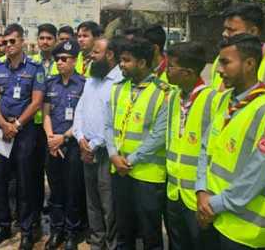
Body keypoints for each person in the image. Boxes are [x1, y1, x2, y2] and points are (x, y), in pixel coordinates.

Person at [196, 34, 265, 249]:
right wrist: (201, 191)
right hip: (213, 217)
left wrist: (212, 205)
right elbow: (206, 148)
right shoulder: (224, 100)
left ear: (249, 64)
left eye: (226, 62)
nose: (219, 70)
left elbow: (256, 175)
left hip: (244, 233)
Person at [106, 37, 171, 250]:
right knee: (124, 231)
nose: (121, 65)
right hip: (119, 171)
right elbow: (108, 126)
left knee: (150, 234)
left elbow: (159, 135)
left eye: (126, 60)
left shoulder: (164, 92)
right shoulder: (117, 89)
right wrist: (113, 155)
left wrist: (130, 160)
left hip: (148, 176)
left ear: (142, 63)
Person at [0, 23, 45, 250]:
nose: (8, 46)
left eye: (12, 41)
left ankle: (27, 230)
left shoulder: (34, 68)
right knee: (0, 179)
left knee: (25, 181)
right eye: (6, 42)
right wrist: (2, 123)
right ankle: (3, 225)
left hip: (25, 132)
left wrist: (17, 124)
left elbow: (37, 101)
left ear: (21, 41)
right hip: (3, 130)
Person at [164, 42, 223, 250]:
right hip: (174, 191)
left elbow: (216, 151)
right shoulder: (173, 96)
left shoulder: (214, 100)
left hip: (198, 195)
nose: (165, 70)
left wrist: (205, 192)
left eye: (170, 66)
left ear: (188, 73)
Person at [209, 3, 265, 130]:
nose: (224, 34)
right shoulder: (219, 62)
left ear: (253, 31)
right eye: (225, 28)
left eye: (231, 30)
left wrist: (256, 143)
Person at [72, 37, 123, 250]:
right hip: (86, 148)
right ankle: (97, 240)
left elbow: (113, 122)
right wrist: (80, 137)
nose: (91, 55)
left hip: (105, 152)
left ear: (109, 55)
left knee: (108, 203)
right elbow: (80, 110)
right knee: (92, 201)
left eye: (96, 52)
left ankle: (112, 244)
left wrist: (92, 145)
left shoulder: (120, 82)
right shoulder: (91, 78)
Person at [43, 39, 86, 250]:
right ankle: (56, 230)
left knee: (72, 191)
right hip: (53, 145)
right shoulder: (51, 83)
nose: (59, 63)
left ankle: (71, 233)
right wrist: (52, 138)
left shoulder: (84, 84)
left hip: (72, 146)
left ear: (74, 60)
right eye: (57, 59)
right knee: (55, 190)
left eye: (64, 59)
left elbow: (83, 119)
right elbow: (46, 114)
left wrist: (64, 137)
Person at [31, 23, 59, 222]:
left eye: (49, 38)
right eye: (42, 38)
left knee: (54, 171)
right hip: (33, 125)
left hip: (54, 126)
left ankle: (55, 206)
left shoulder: (63, 62)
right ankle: (36, 205)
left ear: (55, 41)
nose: (45, 42)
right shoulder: (31, 63)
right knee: (34, 170)